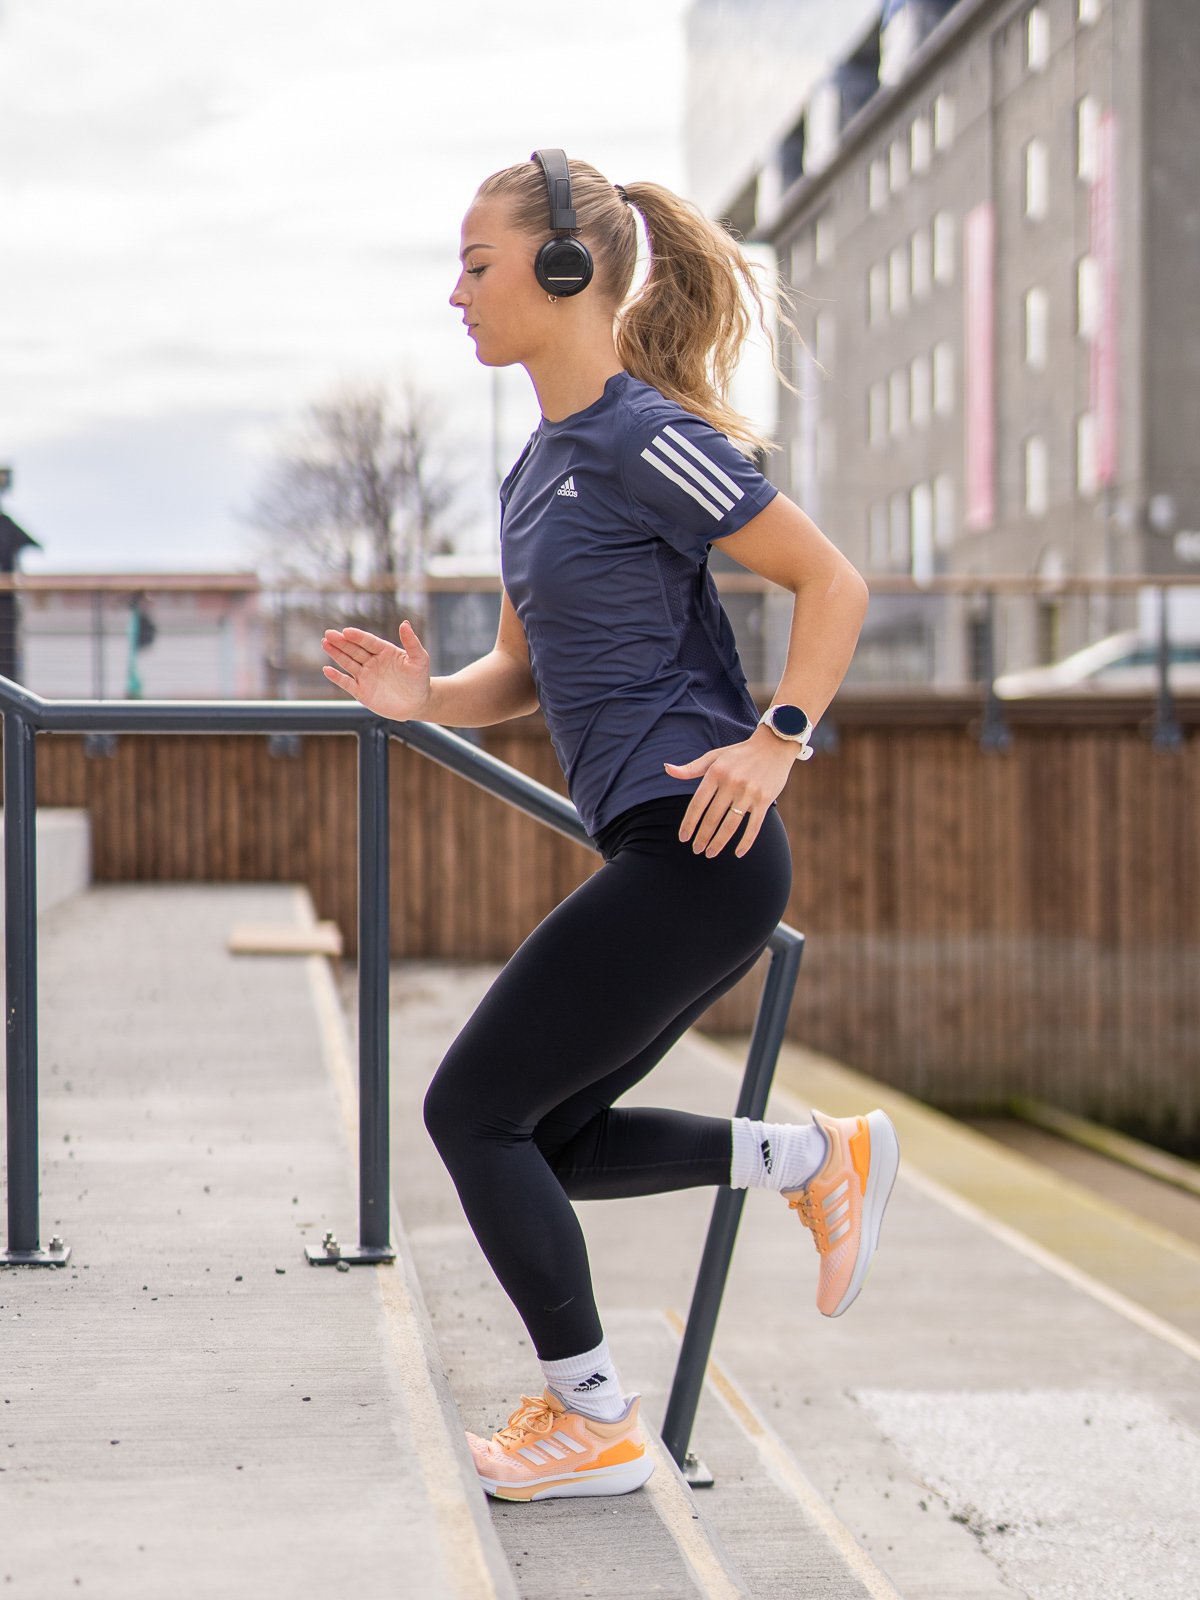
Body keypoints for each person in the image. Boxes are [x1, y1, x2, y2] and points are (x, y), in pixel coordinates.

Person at [321, 150, 900, 1505]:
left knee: (471, 1110)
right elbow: (519, 678)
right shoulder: (535, 474)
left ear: (567, 270)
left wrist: (779, 741)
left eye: (478, 265)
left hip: (700, 851)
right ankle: (814, 1159)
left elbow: (831, 582)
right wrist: (425, 699)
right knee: (551, 1137)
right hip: (660, 852)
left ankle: (592, 1418)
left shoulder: (648, 440)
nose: (455, 293)